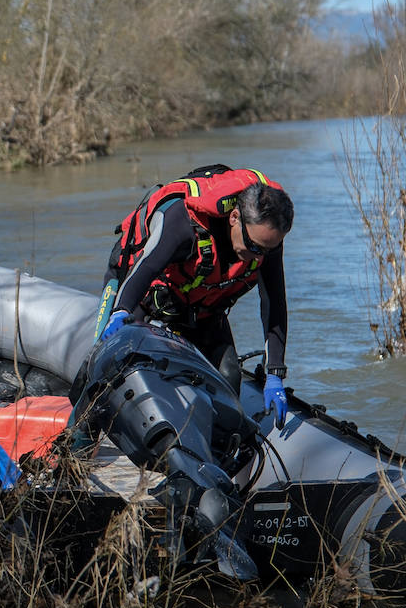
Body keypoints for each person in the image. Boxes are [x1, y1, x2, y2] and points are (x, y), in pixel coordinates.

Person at [99, 166, 295, 426]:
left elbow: (274, 301)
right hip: (142, 297)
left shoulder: (266, 241)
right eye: (254, 247)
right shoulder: (183, 222)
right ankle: (74, 447)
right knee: (107, 372)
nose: (259, 257)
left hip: (200, 310)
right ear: (235, 217)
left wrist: (275, 374)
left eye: (267, 250)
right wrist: (120, 311)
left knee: (228, 376)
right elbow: (145, 270)